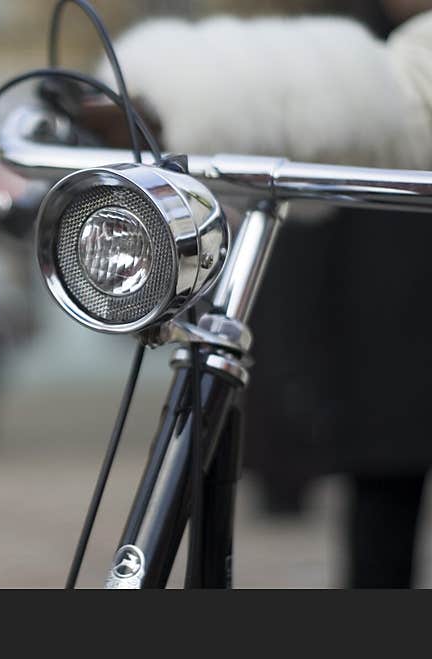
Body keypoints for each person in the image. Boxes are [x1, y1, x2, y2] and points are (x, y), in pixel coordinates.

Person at [79, 5, 432, 586]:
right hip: (385, 387)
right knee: (379, 546)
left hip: (385, 381)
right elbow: (402, 95)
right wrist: (166, 101)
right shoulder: (364, 46)